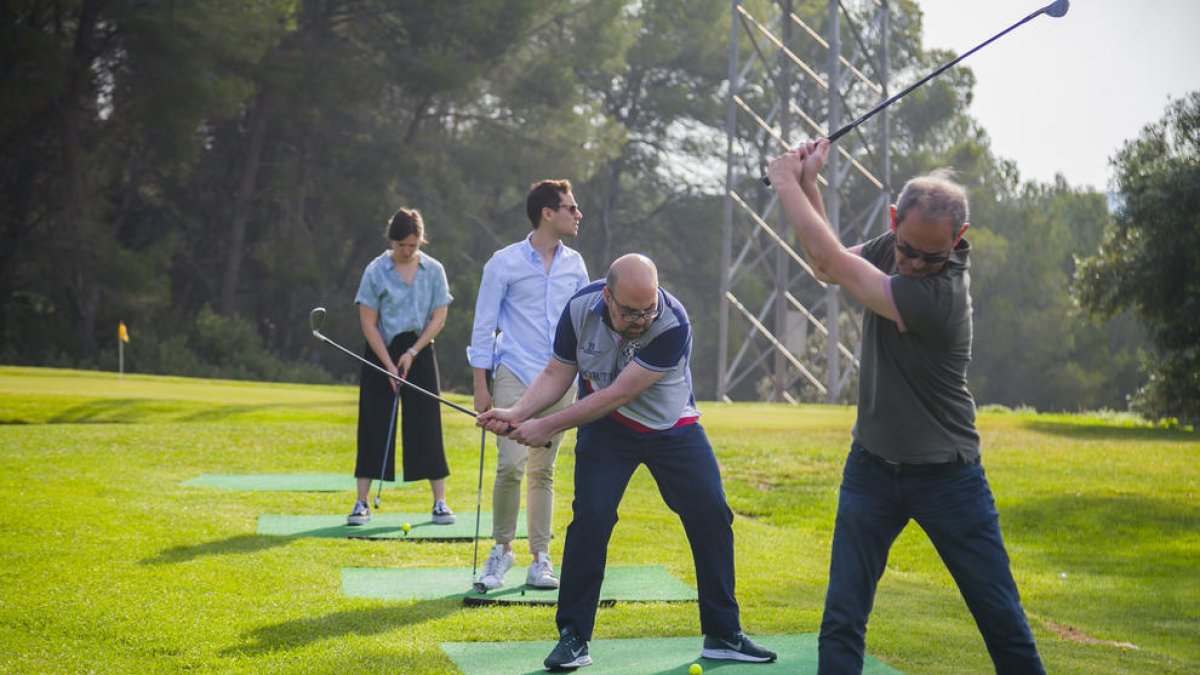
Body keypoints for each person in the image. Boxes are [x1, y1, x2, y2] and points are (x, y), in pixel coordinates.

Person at [768, 140, 1045, 674]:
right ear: (895, 221)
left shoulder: (938, 296)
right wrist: (808, 183)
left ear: (957, 239)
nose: (915, 264)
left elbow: (830, 260)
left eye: (930, 256)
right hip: (871, 469)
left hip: (948, 478)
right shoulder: (894, 247)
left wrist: (784, 182)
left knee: (1001, 620)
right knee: (842, 618)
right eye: (907, 249)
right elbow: (830, 266)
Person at [479, 254, 777, 672]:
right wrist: (517, 412)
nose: (641, 320)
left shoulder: (672, 322)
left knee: (711, 513)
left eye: (647, 310)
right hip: (607, 430)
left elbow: (619, 393)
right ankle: (573, 638)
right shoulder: (580, 309)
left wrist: (545, 426)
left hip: (671, 427)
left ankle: (723, 633)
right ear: (608, 297)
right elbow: (557, 373)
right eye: (630, 312)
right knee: (592, 518)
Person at [466, 179, 590, 591]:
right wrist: (481, 384)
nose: (578, 214)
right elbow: (483, 325)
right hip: (514, 374)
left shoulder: (576, 264)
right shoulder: (503, 263)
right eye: (570, 208)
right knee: (509, 465)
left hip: (561, 381)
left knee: (543, 471)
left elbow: (586, 325)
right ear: (547, 213)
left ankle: (540, 559)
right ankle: (501, 550)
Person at [349, 207, 456, 527]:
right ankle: (361, 503)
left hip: (419, 350)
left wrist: (412, 351)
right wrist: (388, 364)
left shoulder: (434, 270)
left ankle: (439, 502)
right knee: (374, 424)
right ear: (391, 241)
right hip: (380, 352)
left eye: (413, 245)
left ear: (421, 240)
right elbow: (368, 323)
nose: (407, 251)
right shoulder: (376, 270)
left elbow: (439, 317)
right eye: (401, 245)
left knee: (427, 423)